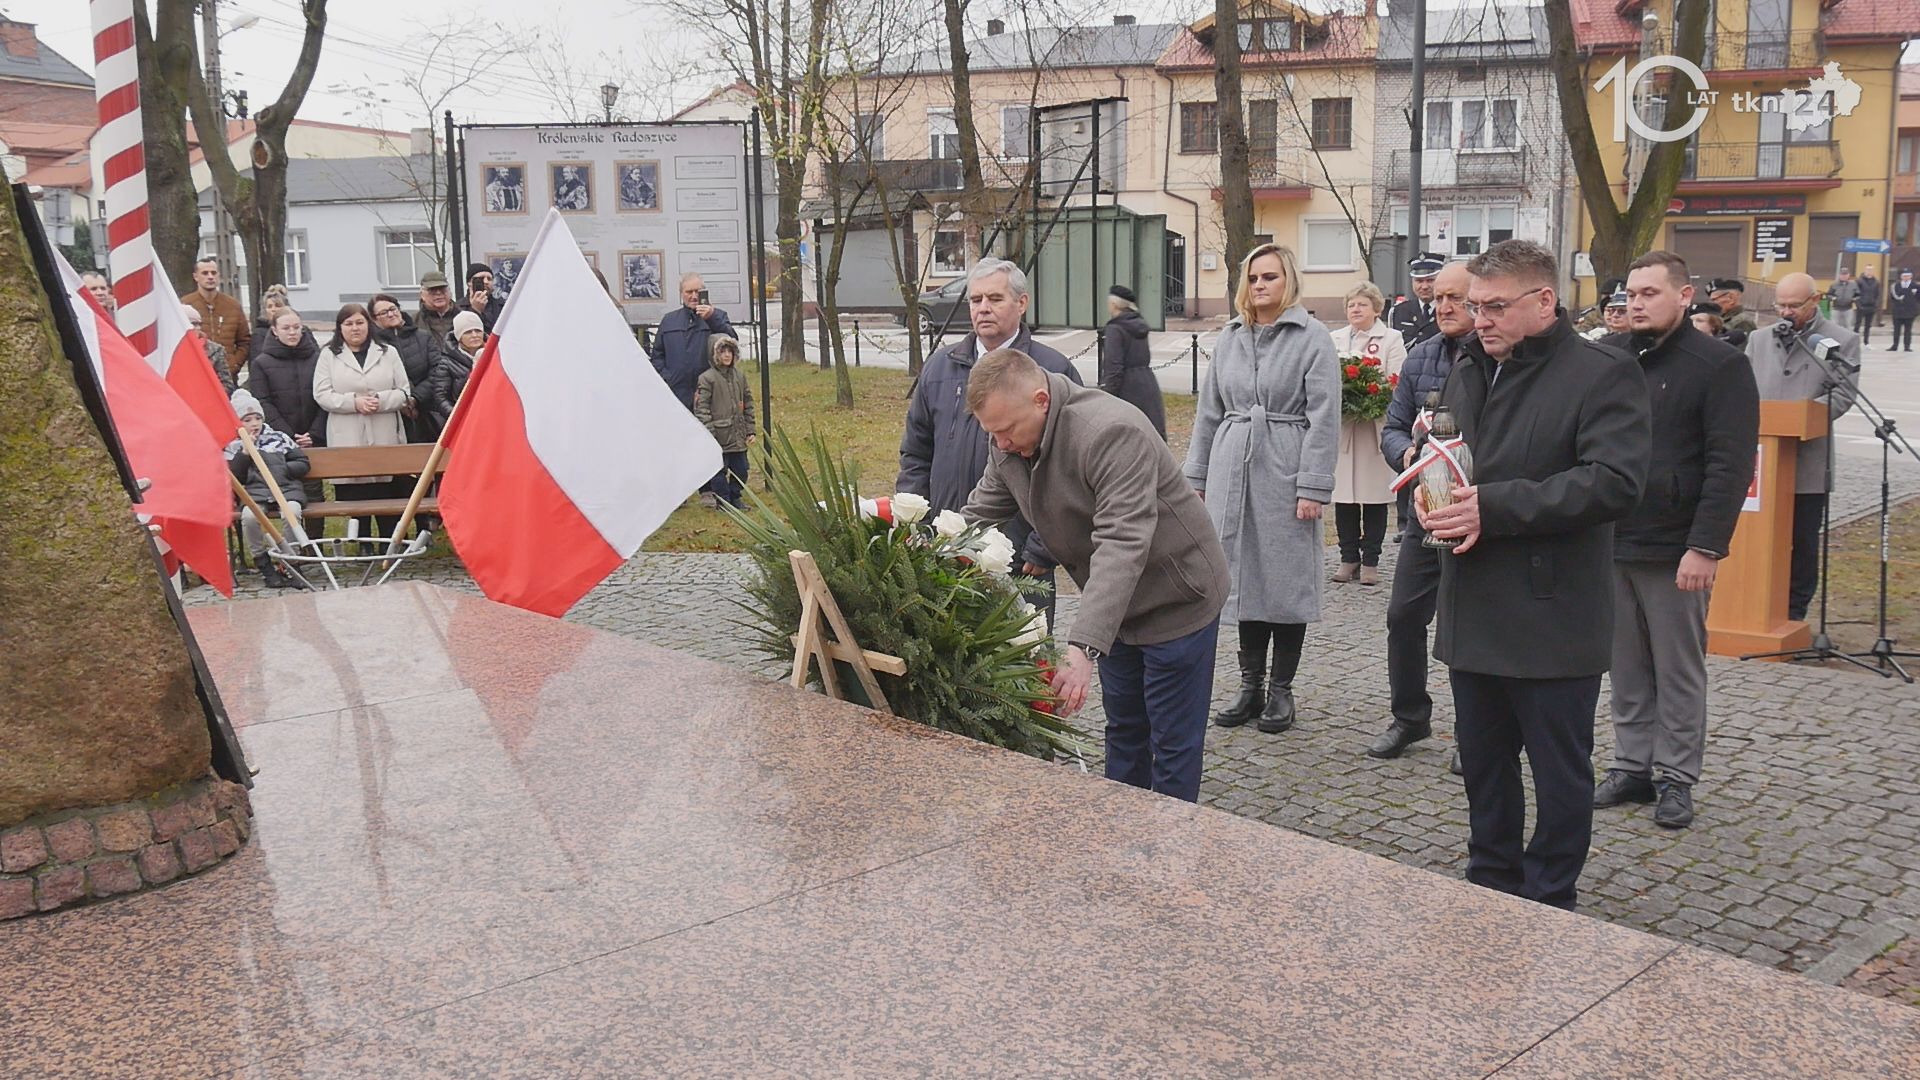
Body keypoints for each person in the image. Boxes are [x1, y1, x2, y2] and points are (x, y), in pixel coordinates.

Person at [1418, 239, 1650, 911]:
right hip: (1473, 603)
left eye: (1495, 306)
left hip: (1552, 611)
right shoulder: (1469, 365)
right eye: (1471, 305)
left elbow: (1614, 483)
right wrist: (1432, 491)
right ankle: (1491, 882)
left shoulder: (1603, 372)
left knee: (1559, 774)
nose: (1479, 319)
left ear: (1544, 300)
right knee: (1484, 768)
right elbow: (1454, 452)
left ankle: (1550, 896)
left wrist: (1493, 506)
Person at [963, 348, 1230, 802]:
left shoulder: (1110, 431)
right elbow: (977, 516)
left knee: (1172, 742)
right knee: (1125, 728)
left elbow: (1123, 542)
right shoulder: (1006, 441)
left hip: (1177, 597)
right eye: (992, 434)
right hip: (1117, 609)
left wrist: (1083, 646)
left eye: (1006, 431)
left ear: (1041, 400)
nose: (1001, 444)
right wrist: (927, 552)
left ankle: (1170, 847)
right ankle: (1119, 835)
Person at [1596, 251, 1759, 832]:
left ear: (1684, 296)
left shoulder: (1718, 365)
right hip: (1611, 536)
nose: (1635, 303)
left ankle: (1675, 777)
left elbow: (1731, 462)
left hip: (1676, 547)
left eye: (1649, 294)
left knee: (1678, 667)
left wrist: (1707, 545)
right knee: (1625, 665)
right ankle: (1631, 765)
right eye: (1630, 294)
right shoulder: (1608, 357)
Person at [1185, 243, 1340, 735]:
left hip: (1285, 465)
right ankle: (1249, 685)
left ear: (1288, 280)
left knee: (1284, 578)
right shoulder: (1231, 337)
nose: (1260, 286)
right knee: (1244, 577)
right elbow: (1209, 411)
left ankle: (1281, 691)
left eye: (1269, 277)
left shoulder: (1313, 338)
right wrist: (1197, 476)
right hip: (1234, 464)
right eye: (1253, 278)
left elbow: (1324, 418)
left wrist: (1313, 485)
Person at [898, 258, 1084, 625]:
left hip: (1019, 554)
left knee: (1022, 660)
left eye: (995, 299)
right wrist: (917, 522)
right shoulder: (940, 367)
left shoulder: (1052, 372)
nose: (983, 308)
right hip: (948, 543)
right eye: (975, 299)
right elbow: (916, 452)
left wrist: (1044, 545)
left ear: (1022, 303)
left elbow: (1072, 473)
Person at [1367, 261, 1475, 764]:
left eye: (1458, 297)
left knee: (1466, 626)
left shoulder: (1496, 358)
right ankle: (1410, 717)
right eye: (1440, 299)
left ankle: (1474, 729)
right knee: (1404, 616)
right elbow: (1392, 426)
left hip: (1474, 515)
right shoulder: (1421, 357)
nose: (1445, 307)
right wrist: (1404, 454)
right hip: (1423, 514)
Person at [1744, 272, 1860, 622]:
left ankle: (1793, 611)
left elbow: (1843, 394)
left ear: (1815, 300)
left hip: (1808, 462)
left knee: (1801, 542)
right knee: (1754, 539)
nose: (1786, 312)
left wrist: (1803, 418)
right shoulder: (1758, 339)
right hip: (1761, 464)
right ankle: (1752, 604)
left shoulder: (1842, 340)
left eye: (1794, 305)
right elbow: (1744, 389)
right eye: (1780, 304)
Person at [1328, 282, 1407, 586]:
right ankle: (1348, 558)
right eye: (1351, 305)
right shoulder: (1334, 339)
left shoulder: (1391, 339)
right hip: (1345, 428)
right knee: (1345, 496)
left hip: (1375, 427)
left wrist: (1370, 396)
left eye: (1362, 304)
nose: (1356, 310)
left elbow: (1397, 380)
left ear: (1376, 308)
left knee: (1373, 497)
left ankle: (1371, 560)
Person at [312, 303, 413, 541]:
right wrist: (353, 402)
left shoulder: (387, 352)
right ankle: (361, 543)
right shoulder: (329, 354)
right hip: (348, 432)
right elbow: (321, 394)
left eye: (360, 323)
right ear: (340, 328)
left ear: (369, 324)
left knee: (386, 489)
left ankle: (389, 543)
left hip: (383, 428)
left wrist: (380, 400)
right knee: (356, 493)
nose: (355, 328)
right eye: (348, 324)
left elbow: (404, 391)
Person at [226, 389, 309, 589]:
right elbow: (235, 478)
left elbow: (303, 463)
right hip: (256, 494)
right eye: (247, 419)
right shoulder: (234, 446)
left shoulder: (279, 438)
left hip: (286, 489)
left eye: (257, 418)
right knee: (249, 517)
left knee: (292, 513)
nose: (254, 423)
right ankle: (263, 563)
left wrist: (285, 469)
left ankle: (291, 562)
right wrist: (245, 454)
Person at [649, 273, 737, 413]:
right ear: (681, 294)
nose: (694, 296)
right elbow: (657, 356)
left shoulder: (718, 316)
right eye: (689, 292)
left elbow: (731, 343)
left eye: (698, 291)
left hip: (710, 393)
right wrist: (669, 378)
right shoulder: (669, 321)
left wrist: (711, 318)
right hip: (677, 393)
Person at [369, 292, 445, 442]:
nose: (391, 314)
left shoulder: (423, 337)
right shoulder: (373, 345)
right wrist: (401, 401)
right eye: (384, 312)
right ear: (374, 319)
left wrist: (415, 398)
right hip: (390, 415)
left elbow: (438, 370)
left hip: (426, 412)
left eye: (393, 308)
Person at [694, 335, 756, 509]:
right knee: (719, 471)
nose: (727, 355)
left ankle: (735, 496)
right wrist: (709, 432)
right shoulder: (707, 378)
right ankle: (723, 501)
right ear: (715, 355)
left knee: (742, 469)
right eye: (723, 352)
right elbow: (702, 408)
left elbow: (748, 402)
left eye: (730, 351)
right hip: (718, 434)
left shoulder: (739, 376)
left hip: (738, 433)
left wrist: (750, 430)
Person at [1099, 285, 1166, 438]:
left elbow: (1113, 367)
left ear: (1114, 304)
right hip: (1147, 384)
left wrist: (1108, 397)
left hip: (1127, 389)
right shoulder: (1139, 324)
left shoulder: (1115, 329)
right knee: (1151, 434)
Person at [180, 256, 251, 370]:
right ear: (195, 276)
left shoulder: (233, 305)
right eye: (205, 273)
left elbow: (244, 341)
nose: (210, 277)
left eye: (214, 273)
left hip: (227, 374)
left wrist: (234, 364)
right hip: (197, 371)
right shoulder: (185, 305)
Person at [424, 311, 484, 433]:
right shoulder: (446, 363)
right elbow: (440, 397)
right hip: (463, 424)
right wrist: (456, 416)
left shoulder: (495, 356)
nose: (474, 335)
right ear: (459, 337)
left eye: (478, 331)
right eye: (468, 332)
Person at [1389, 253, 1444, 348]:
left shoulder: (1448, 310)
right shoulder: (1398, 311)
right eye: (1419, 281)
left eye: (1430, 280)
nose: (1424, 286)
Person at [181, 304, 237, 395]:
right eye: (193, 324)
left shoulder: (215, 351)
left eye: (199, 324)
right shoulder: (171, 352)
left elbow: (227, 384)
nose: (197, 328)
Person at [249, 285, 294, 362]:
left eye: (278, 305)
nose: (273, 309)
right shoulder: (259, 334)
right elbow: (256, 361)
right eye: (269, 306)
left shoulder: (297, 329)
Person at [415, 270, 459, 343]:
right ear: (422, 295)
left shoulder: (463, 317)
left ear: (450, 292)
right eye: (432, 290)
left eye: (442, 289)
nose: (438, 293)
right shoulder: (414, 322)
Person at [465, 263, 505, 332]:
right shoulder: (457, 308)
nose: (486, 282)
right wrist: (475, 310)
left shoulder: (502, 307)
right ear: (469, 283)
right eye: (481, 279)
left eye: (489, 279)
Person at [1889, 268, 1918, 352]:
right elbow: (1892, 297)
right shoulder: (1895, 285)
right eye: (1904, 276)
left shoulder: (1915, 286)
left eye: (1908, 276)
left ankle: (1907, 346)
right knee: (1896, 330)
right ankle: (1895, 345)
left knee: (1908, 330)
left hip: (1910, 312)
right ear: (1901, 277)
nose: (1906, 277)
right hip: (1898, 312)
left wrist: (1915, 310)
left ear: (1911, 277)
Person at [1854, 265, 1881, 344]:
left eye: (1871, 270)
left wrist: (1876, 304)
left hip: (1871, 307)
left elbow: (1878, 294)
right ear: (1865, 270)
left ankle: (1866, 342)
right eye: (1868, 270)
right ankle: (1855, 341)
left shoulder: (1876, 282)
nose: (1869, 271)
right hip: (1861, 306)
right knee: (1857, 325)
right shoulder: (1859, 281)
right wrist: (1858, 305)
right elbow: (1855, 294)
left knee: (1868, 326)